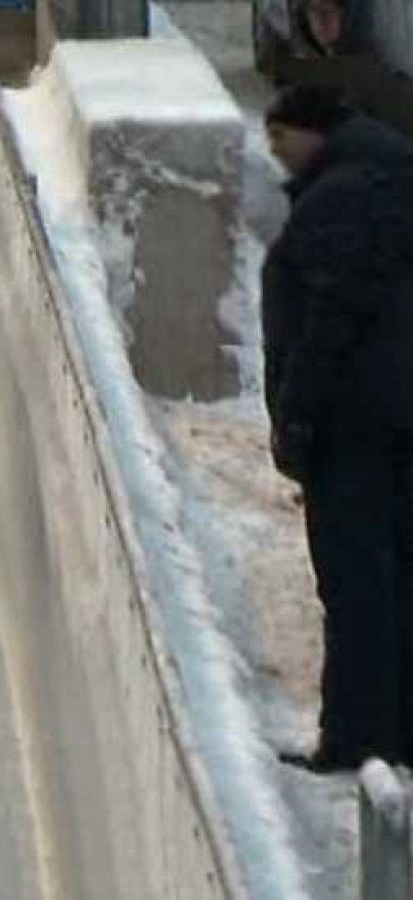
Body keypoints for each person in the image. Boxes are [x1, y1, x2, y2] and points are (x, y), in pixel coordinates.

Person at [262, 83, 413, 773]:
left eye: (281, 139)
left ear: (313, 133)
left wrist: (296, 414)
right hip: (391, 418)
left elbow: (326, 323)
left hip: (355, 428)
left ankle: (355, 738)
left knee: (355, 586)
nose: (275, 155)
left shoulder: (343, 198)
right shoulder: (386, 177)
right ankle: (397, 733)